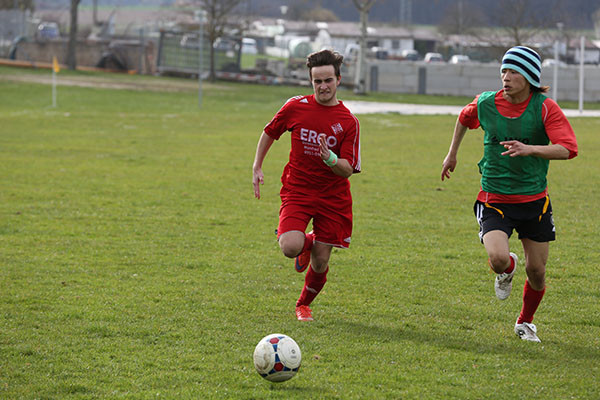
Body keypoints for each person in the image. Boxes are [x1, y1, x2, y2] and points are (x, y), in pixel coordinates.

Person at [441, 46, 578, 342]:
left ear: (529, 76)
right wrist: (452, 154)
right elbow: (464, 118)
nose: (506, 77)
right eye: (503, 70)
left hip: (534, 201)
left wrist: (530, 149)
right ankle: (508, 267)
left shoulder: (544, 107)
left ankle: (525, 323)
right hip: (494, 198)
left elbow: (569, 148)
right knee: (498, 259)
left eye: (513, 71)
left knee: (538, 271)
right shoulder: (487, 103)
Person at [252, 49, 361, 322]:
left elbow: (347, 169)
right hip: (298, 191)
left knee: (321, 260)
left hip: (333, 198)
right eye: (317, 81)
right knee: (290, 246)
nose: (323, 86)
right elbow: (269, 132)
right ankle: (305, 240)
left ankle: (303, 305)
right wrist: (257, 165)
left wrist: (331, 158)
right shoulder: (295, 107)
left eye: (328, 80)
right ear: (311, 82)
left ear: (338, 80)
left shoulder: (348, 122)